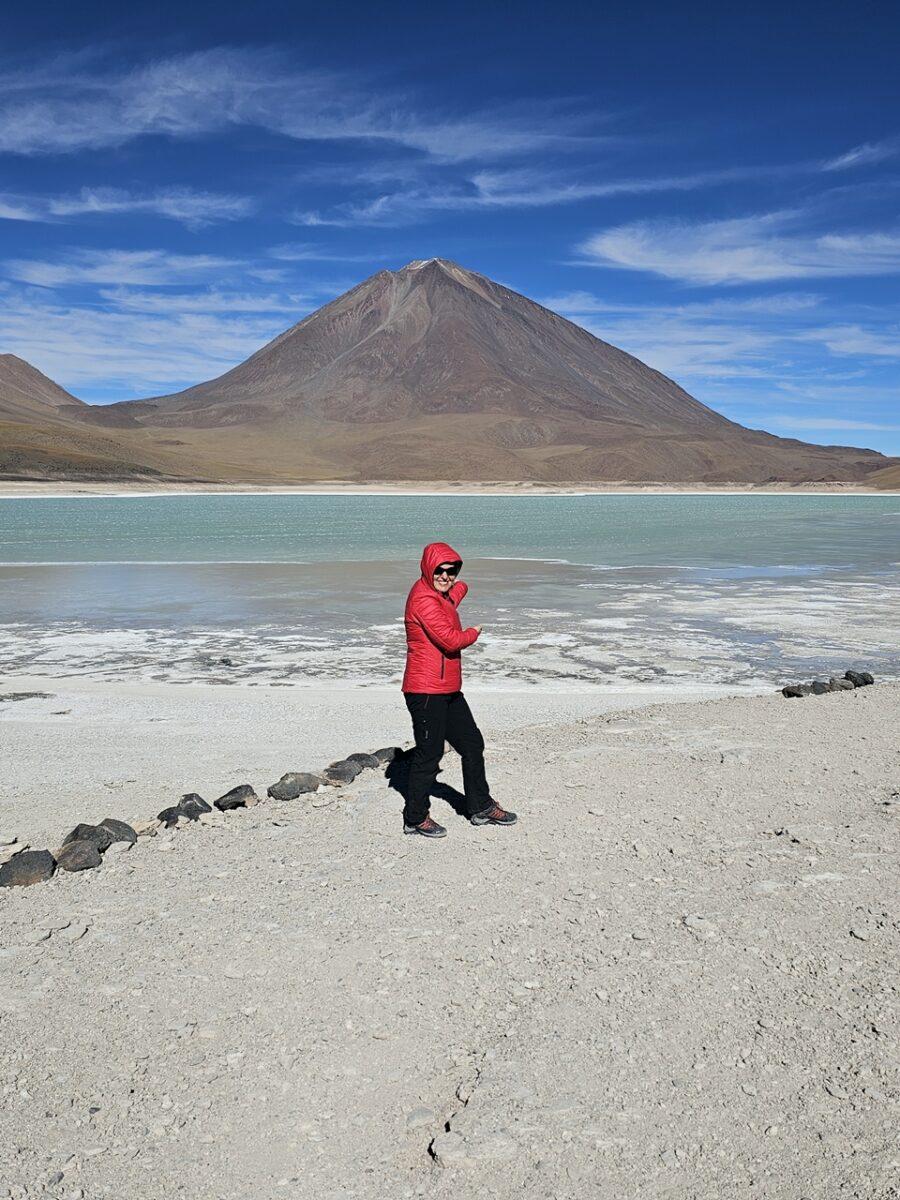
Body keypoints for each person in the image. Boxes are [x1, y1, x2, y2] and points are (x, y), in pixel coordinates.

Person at [401, 541, 517, 838]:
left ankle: (480, 806)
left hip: (448, 689)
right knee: (429, 756)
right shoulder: (424, 600)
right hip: (426, 691)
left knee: (472, 744)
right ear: (428, 569)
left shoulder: (441, 594)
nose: (446, 576)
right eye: (440, 570)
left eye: (451, 571)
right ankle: (415, 818)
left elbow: (454, 593)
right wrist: (473, 633)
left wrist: (460, 585)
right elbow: (451, 641)